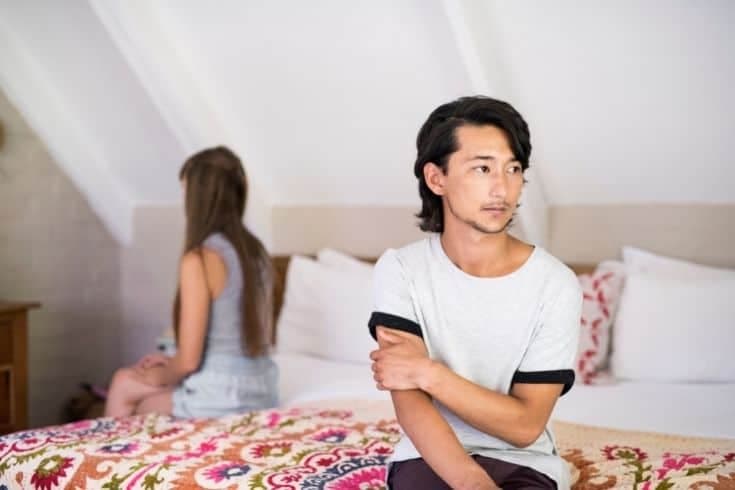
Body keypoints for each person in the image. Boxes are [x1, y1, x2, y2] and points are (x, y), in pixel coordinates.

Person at [368, 96, 582, 489]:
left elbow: (524, 426)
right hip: (427, 456)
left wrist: (429, 372)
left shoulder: (556, 284)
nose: (502, 187)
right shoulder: (401, 270)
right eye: (483, 168)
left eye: (513, 169)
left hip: (524, 461)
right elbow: (411, 403)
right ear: (437, 179)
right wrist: (471, 482)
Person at [105, 146, 277, 418]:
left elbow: (189, 361)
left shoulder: (200, 258)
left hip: (221, 395)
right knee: (136, 382)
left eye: (185, 190)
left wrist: (160, 374)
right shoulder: (257, 253)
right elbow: (232, 339)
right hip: (263, 388)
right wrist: (170, 361)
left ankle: (113, 458)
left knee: (123, 384)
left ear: (198, 197)